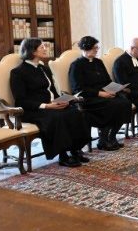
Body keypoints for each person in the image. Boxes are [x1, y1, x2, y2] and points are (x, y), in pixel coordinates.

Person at [10, 38, 91, 167]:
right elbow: (21, 100)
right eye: (42, 47)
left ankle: (75, 150)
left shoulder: (44, 68)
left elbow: (52, 91)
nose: (45, 49)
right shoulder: (18, 72)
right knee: (58, 117)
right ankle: (63, 156)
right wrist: (47, 106)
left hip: (51, 105)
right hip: (34, 110)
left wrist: (63, 101)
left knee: (75, 112)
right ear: (33, 51)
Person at [69, 36, 132, 151]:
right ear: (86, 48)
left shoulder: (99, 62)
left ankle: (112, 136)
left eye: (97, 47)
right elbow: (78, 89)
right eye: (94, 48)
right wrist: (100, 94)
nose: (97, 50)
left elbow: (107, 81)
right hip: (89, 98)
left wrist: (114, 89)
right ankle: (103, 139)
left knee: (125, 102)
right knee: (114, 105)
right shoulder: (76, 65)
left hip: (105, 95)